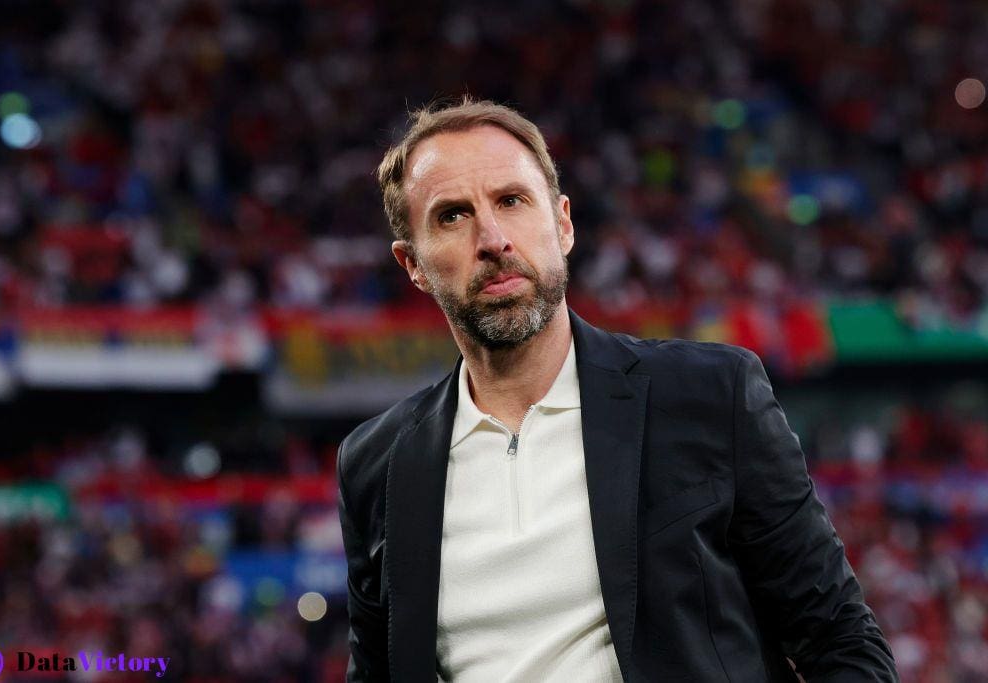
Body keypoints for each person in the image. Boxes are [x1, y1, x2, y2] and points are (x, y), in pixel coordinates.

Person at [336, 97, 898, 682]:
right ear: (413, 265)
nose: (493, 237)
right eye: (452, 215)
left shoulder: (710, 395)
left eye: (511, 200)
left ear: (563, 223)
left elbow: (843, 643)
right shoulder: (377, 464)